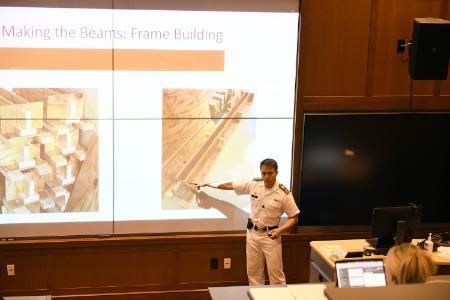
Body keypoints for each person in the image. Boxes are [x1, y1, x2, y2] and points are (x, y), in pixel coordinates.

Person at [193, 158, 300, 285]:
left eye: (270, 173)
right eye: (263, 173)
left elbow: (294, 217)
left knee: (276, 275)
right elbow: (230, 185)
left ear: (276, 172)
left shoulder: (284, 194)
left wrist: (280, 230)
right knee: (254, 273)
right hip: (252, 235)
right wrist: (208, 183)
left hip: (271, 237)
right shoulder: (254, 185)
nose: (266, 177)